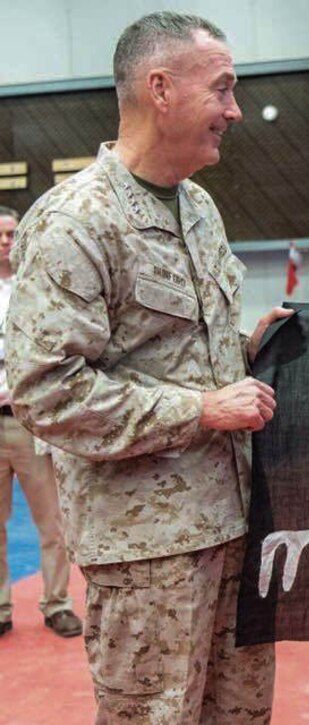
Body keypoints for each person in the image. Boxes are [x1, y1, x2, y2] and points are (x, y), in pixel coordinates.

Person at [4, 12, 292, 722]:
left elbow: (185, 354)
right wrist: (198, 409)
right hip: (148, 555)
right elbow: (46, 391)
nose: (236, 110)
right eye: (222, 90)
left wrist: (251, 350)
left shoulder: (198, 208)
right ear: (160, 89)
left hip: (234, 526)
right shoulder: (76, 220)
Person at [0, 205, 82, 639]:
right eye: (0, 234)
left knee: (52, 522)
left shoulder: (40, 289)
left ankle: (57, 603)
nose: (6, 241)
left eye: (12, 234)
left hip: (31, 421)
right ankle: (0, 607)